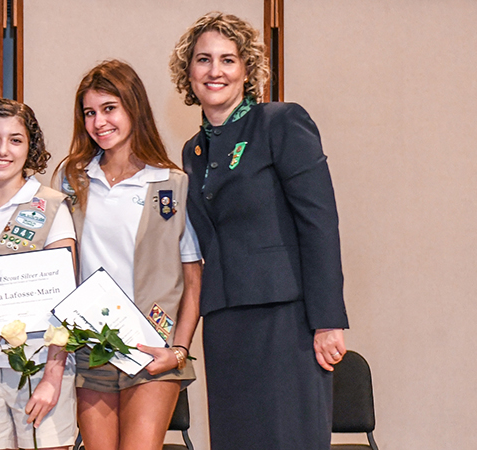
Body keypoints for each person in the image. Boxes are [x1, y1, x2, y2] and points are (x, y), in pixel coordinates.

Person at [170, 12, 348, 450]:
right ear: (188, 72)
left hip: (285, 319)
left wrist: (327, 321)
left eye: (228, 60)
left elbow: (319, 222)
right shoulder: (192, 151)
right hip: (226, 321)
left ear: (246, 69)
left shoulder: (280, 122)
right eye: (203, 60)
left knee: (289, 437)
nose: (215, 71)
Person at [49, 60, 201, 450]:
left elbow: (193, 280)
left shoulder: (172, 183)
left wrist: (179, 351)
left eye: (109, 108)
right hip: (90, 349)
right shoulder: (72, 179)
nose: (99, 122)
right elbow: (55, 268)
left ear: (134, 108)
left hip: (151, 349)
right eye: (89, 113)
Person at [0, 99, 78, 450]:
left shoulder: (51, 206)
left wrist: (53, 376)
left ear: (30, 148)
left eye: (16, 140)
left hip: (39, 365)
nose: (3, 150)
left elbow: (66, 302)